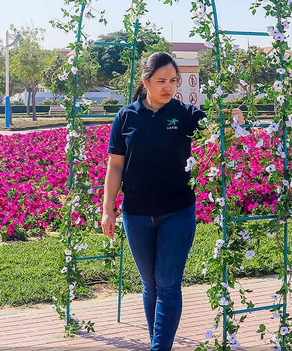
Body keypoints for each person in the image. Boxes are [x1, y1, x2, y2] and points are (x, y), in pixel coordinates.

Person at [102, 51, 243, 351]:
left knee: (167, 285)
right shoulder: (126, 117)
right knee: (150, 285)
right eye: (161, 81)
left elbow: (216, 131)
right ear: (145, 82)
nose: (168, 87)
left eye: (173, 81)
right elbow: (115, 165)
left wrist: (232, 122)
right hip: (136, 214)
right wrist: (108, 210)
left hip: (177, 212)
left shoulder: (185, 114)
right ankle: (159, 343)